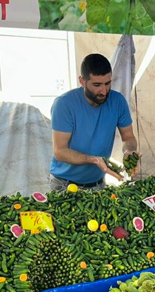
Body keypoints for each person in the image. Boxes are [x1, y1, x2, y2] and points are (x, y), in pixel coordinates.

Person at [50, 53, 140, 192]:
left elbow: (128, 137)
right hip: (64, 184)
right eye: (97, 85)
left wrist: (129, 151)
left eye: (107, 83)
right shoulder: (64, 104)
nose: (103, 91)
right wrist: (93, 159)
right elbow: (60, 151)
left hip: (97, 184)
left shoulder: (118, 101)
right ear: (82, 81)